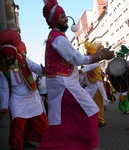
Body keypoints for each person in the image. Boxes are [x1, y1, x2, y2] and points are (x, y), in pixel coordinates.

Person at [38, 0, 114, 150]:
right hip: (64, 85)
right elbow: (77, 59)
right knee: (91, 111)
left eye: (65, 16)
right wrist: (100, 56)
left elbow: (73, 59)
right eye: (62, 17)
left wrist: (97, 55)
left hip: (63, 84)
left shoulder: (56, 37)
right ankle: (91, 146)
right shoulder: (58, 39)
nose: (66, 19)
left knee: (62, 121)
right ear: (54, 20)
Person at [0, 29, 49, 150]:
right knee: (17, 125)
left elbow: (37, 69)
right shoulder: (3, 71)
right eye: (4, 57)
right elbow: (4, 89)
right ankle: (16, 147)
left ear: (13, 53)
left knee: (41, 124)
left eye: (9, 56)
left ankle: (49, 144)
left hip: (32, 97)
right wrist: (4, 106)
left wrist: (44, 70)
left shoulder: (24, 61)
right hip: (17, 100)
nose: (7, 59)